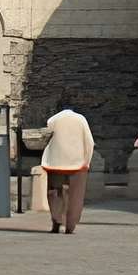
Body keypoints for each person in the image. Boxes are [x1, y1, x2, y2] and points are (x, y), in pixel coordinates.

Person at [39, 100, 95, 233]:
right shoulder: (81, 119)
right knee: (75, 195)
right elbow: (89, 141)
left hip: (55, 163)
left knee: (55, 193)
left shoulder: (53, 120)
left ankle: (56, 220)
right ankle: (70, 225)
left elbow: (46, 139)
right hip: (77, 163)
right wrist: (87, 160)